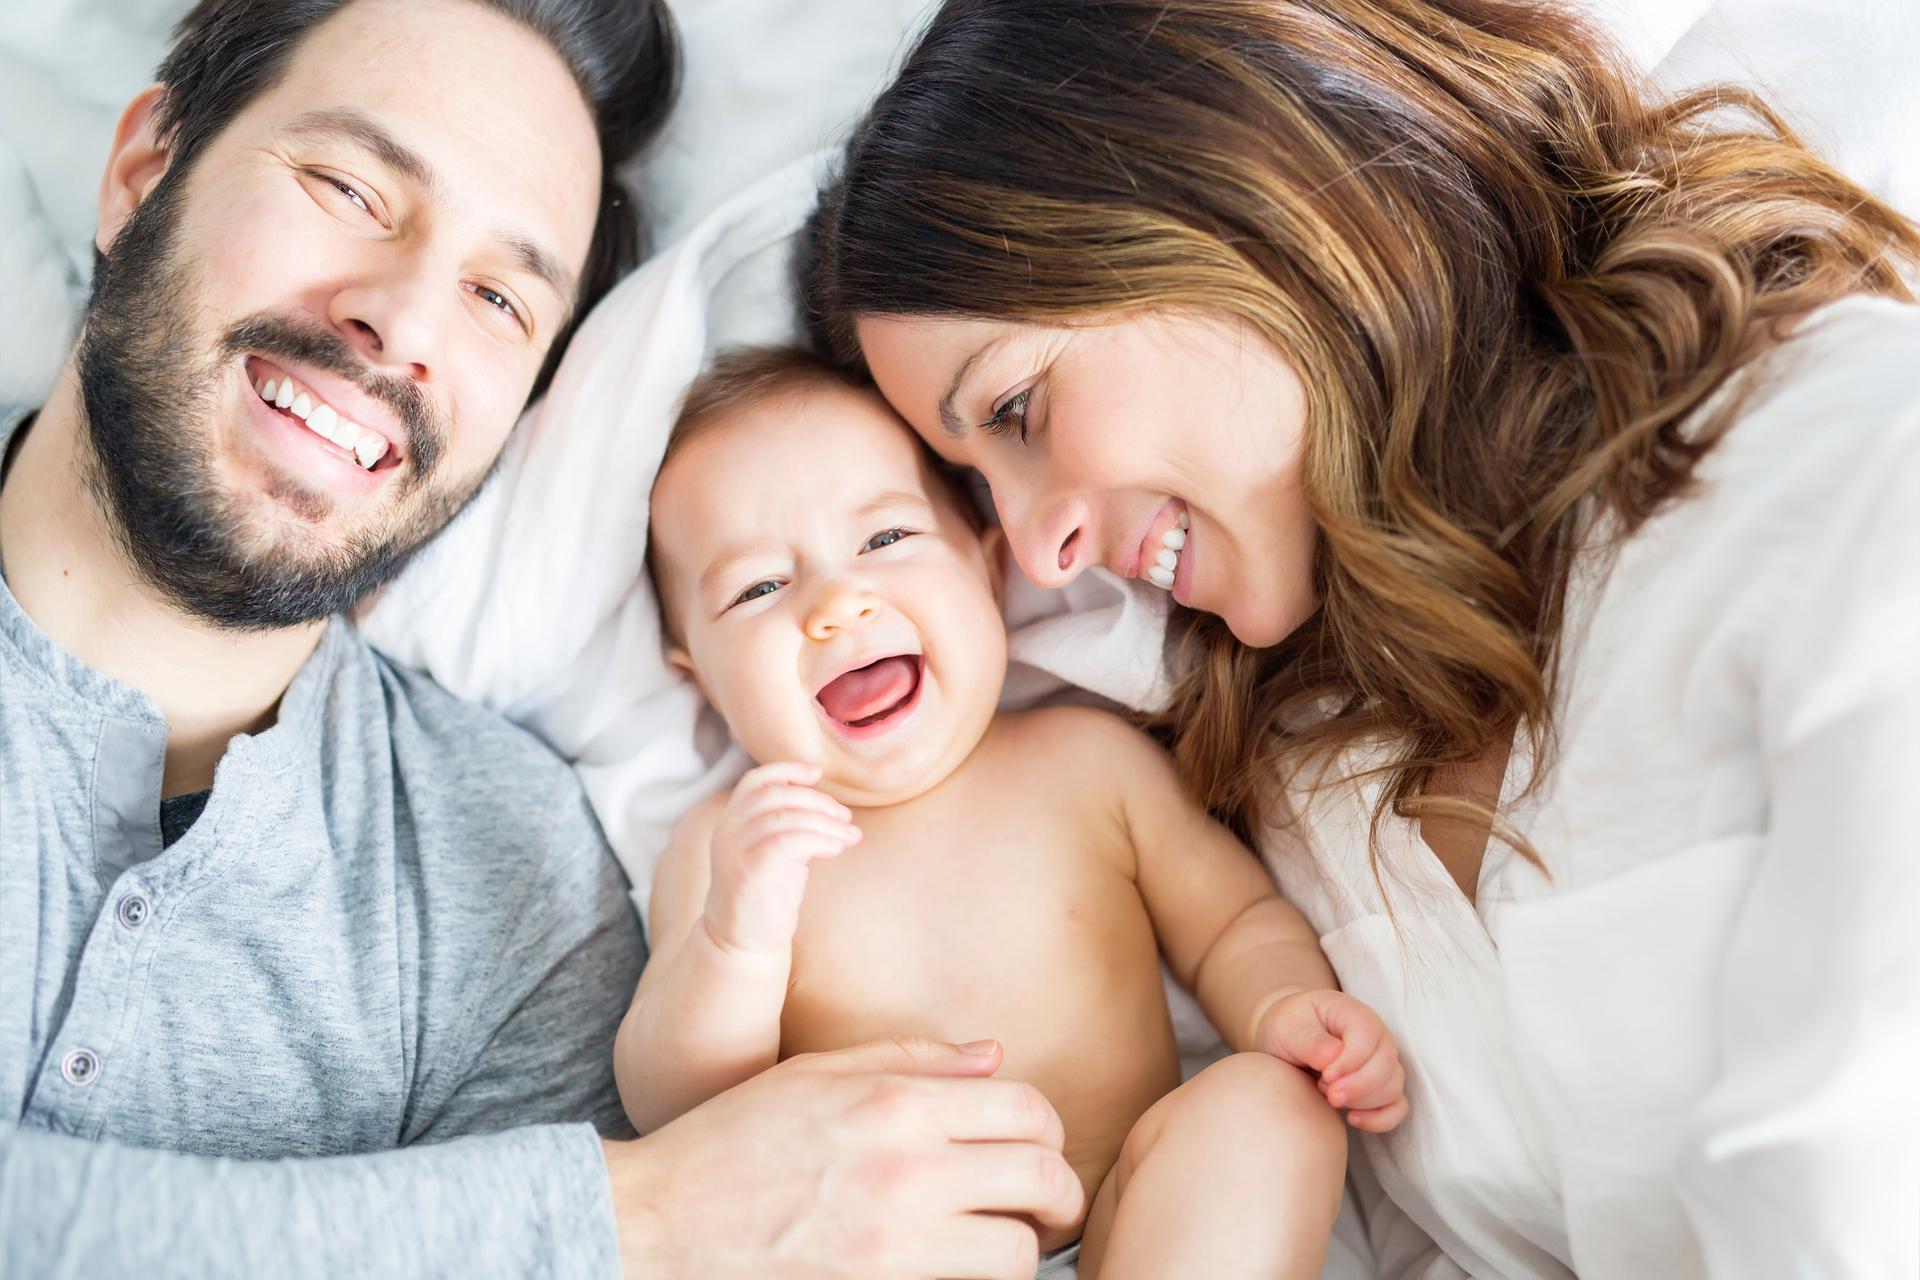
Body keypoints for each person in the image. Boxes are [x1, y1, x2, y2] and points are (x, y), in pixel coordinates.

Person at [801, 0, 1920, 1276]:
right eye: (974, 488)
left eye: (1016, 406)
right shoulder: (1308, 782)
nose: (1036, 551)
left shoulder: (1849, 468)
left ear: (1234, 194)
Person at [0, 3, 1086, 1277]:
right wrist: (639, 1215)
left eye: (499, 300)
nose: (405, 323)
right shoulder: (624, 1185)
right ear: (143, 173)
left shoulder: (517, 891)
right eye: (350, 186)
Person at [623, 346, 1408, 1279]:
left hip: (1138, 1213)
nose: (837, 605)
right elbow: (672, 1110)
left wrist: (1279, 1006)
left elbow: (1233, 922)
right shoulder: (729, 848)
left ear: (989, 571)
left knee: (1267, 1109)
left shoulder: (1088, 763)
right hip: (881, 1244)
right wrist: (734, 940)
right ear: (699, 679)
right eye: (758, 588)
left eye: (885, 541)